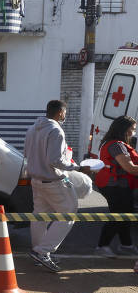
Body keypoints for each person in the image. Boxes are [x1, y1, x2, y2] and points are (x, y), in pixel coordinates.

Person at [24, 100, 89, 272]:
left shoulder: (32, 129)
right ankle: (42, 251)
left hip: (36, 181)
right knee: (69, 213)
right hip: (53, 181)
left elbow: (28, 154)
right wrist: (78, 167)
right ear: (60, 112)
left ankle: (38, 253)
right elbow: (55, 160)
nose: (65, 116)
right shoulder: (55, 130)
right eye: (65, 113)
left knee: (39, 216)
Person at [94, 115, 138, 257]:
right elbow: (130, 168)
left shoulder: (113, 143)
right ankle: (102, 246)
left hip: (119, 185)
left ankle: (126, 245)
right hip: (114, 186)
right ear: (124, 129)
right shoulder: (116, 145)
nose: (133, 132)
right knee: (119, 215)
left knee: (126, 213)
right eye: (132, 129)